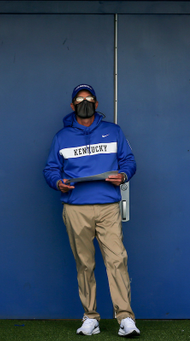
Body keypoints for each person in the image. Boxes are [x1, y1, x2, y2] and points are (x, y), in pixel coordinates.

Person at [43, 84, 140, 337]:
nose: (84, 102)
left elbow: (129, 161)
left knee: (117, 260)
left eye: (89, 98)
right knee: (84, 264)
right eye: (79, 99)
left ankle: (125, 318)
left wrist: (124, 175)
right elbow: (51, 169)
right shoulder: (61, 137)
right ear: (73, 105)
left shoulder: (113, 131)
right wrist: (57, 182)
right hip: (75, 208)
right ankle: (90, 317)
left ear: (96, 104)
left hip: (108, 206)